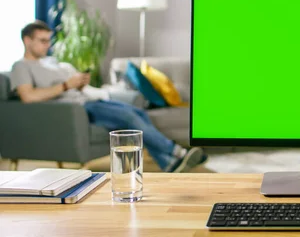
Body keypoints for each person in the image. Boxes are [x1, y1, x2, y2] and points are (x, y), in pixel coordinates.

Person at [10, 20, 206, 172]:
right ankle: (177, 151)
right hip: (75, 109)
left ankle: (169, 164)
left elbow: (70, 86)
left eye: (48, 40)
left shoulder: (51, 62)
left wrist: (78, 83)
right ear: (27, 41)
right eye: (42, 41)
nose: (47, 45)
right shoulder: (21, 67)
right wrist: (65, 85)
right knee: (129, 118)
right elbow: (28, 97)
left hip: (87, 99)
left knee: (138, 113)